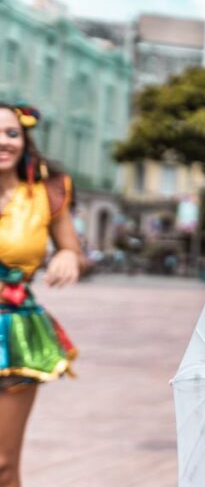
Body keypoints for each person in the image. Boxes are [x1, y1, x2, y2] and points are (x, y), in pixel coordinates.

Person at [0, 102, 82, 486]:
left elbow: (70, 248)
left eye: (11, 133)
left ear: (24, 139)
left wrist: (67, 256)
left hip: (12, 331)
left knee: (2, 463)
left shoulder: (46, 193)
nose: (3, 141)